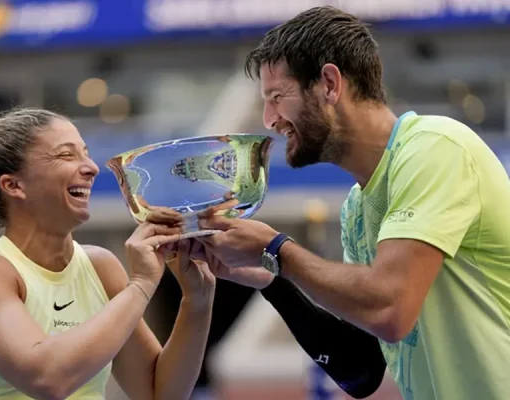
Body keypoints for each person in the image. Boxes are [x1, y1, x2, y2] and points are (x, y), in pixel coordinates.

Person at [191, 6, 510, 400]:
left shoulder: (435, 148)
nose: (269, 119)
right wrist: (272, 280)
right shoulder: (357, 208)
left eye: (277, 96)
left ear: (328, 83)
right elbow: (360, 370)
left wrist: (275, 249)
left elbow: (389, 311)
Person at [0, 108, 216, 400]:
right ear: (14, 185)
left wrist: (197, 300)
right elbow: (46, 379)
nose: (91, 167)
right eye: (66, 155)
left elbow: (159, 393)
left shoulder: (100, 266)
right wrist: (142, 284)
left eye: (85, 153)